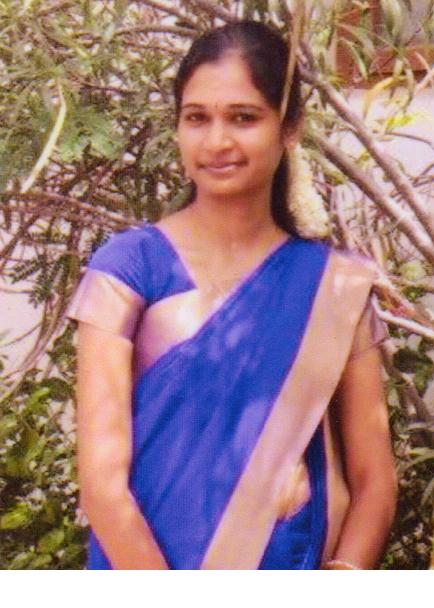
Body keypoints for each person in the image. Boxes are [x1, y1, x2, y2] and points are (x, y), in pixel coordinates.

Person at [66, 20, 397, 570]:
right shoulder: (130, 268)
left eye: (243, 118)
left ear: (288, 127)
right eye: (197, 118)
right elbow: (102, 488)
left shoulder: (332, 286)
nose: (217, 142)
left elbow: (375, 481)